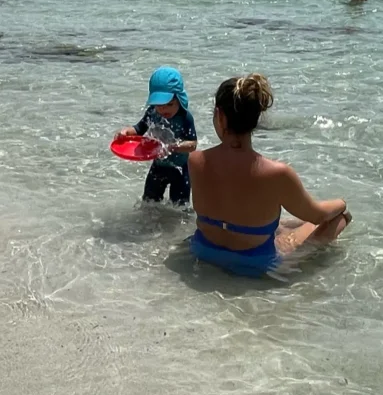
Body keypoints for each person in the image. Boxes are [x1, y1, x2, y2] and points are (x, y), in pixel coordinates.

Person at [188, 74, 351, 277]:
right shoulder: (277, 173)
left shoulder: (195, 161)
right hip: (257, 264)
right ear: (255, 120)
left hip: (204, 251)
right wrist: (341, 203)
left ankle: (279, 228)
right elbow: (317, 215)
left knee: (275, 224)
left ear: (220, 116)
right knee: (340, 218)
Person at [116, 67, 197, 205]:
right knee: (148, 204)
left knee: (179, 210)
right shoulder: (153, 112)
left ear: (179, 99)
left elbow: (193, 145)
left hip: (180, 169)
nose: (163, 109)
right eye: (159, 105)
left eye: (169, 104)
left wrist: (173, 147)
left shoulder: (185, 117)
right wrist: (126, 132)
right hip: (158, 167)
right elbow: (139, 128)